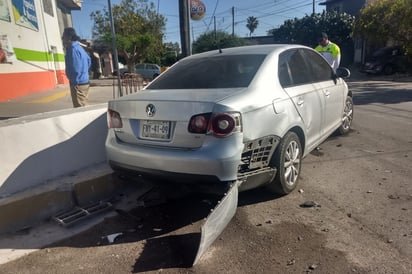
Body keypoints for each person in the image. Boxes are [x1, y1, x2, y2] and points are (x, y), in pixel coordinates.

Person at [62, 27, 91, 107]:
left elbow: (76, 68)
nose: (62, 39)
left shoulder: (72, 49)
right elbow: (89, 60)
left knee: (80, 109)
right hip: (84, 81)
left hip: (78, 84)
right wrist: (84, 72)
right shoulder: (80, 48)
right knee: (84, 105)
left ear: (68, 37)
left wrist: (75, 80)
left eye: (63, 37)